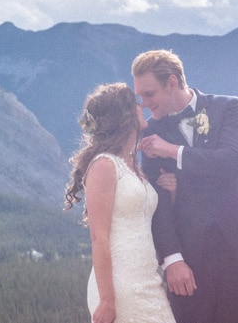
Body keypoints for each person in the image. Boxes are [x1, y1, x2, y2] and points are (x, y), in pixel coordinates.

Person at [133, 49, 238, 323]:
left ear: (172, 82)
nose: (144, 104)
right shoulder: (149, 133)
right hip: (188, 256)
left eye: (149, 94)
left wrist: (172, 151)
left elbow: (232, 162)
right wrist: (172, 259)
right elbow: (156, 200)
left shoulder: (227, 107)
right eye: (140, 96)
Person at [65, 83, 176, 323]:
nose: (142, 105)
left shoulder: (135, 166)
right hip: (119, 285)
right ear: (124, 116)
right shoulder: (104, 165)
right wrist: (107, 300)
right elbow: (99, 236)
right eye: (137, 104)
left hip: (148, 281)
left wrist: (174, 190)